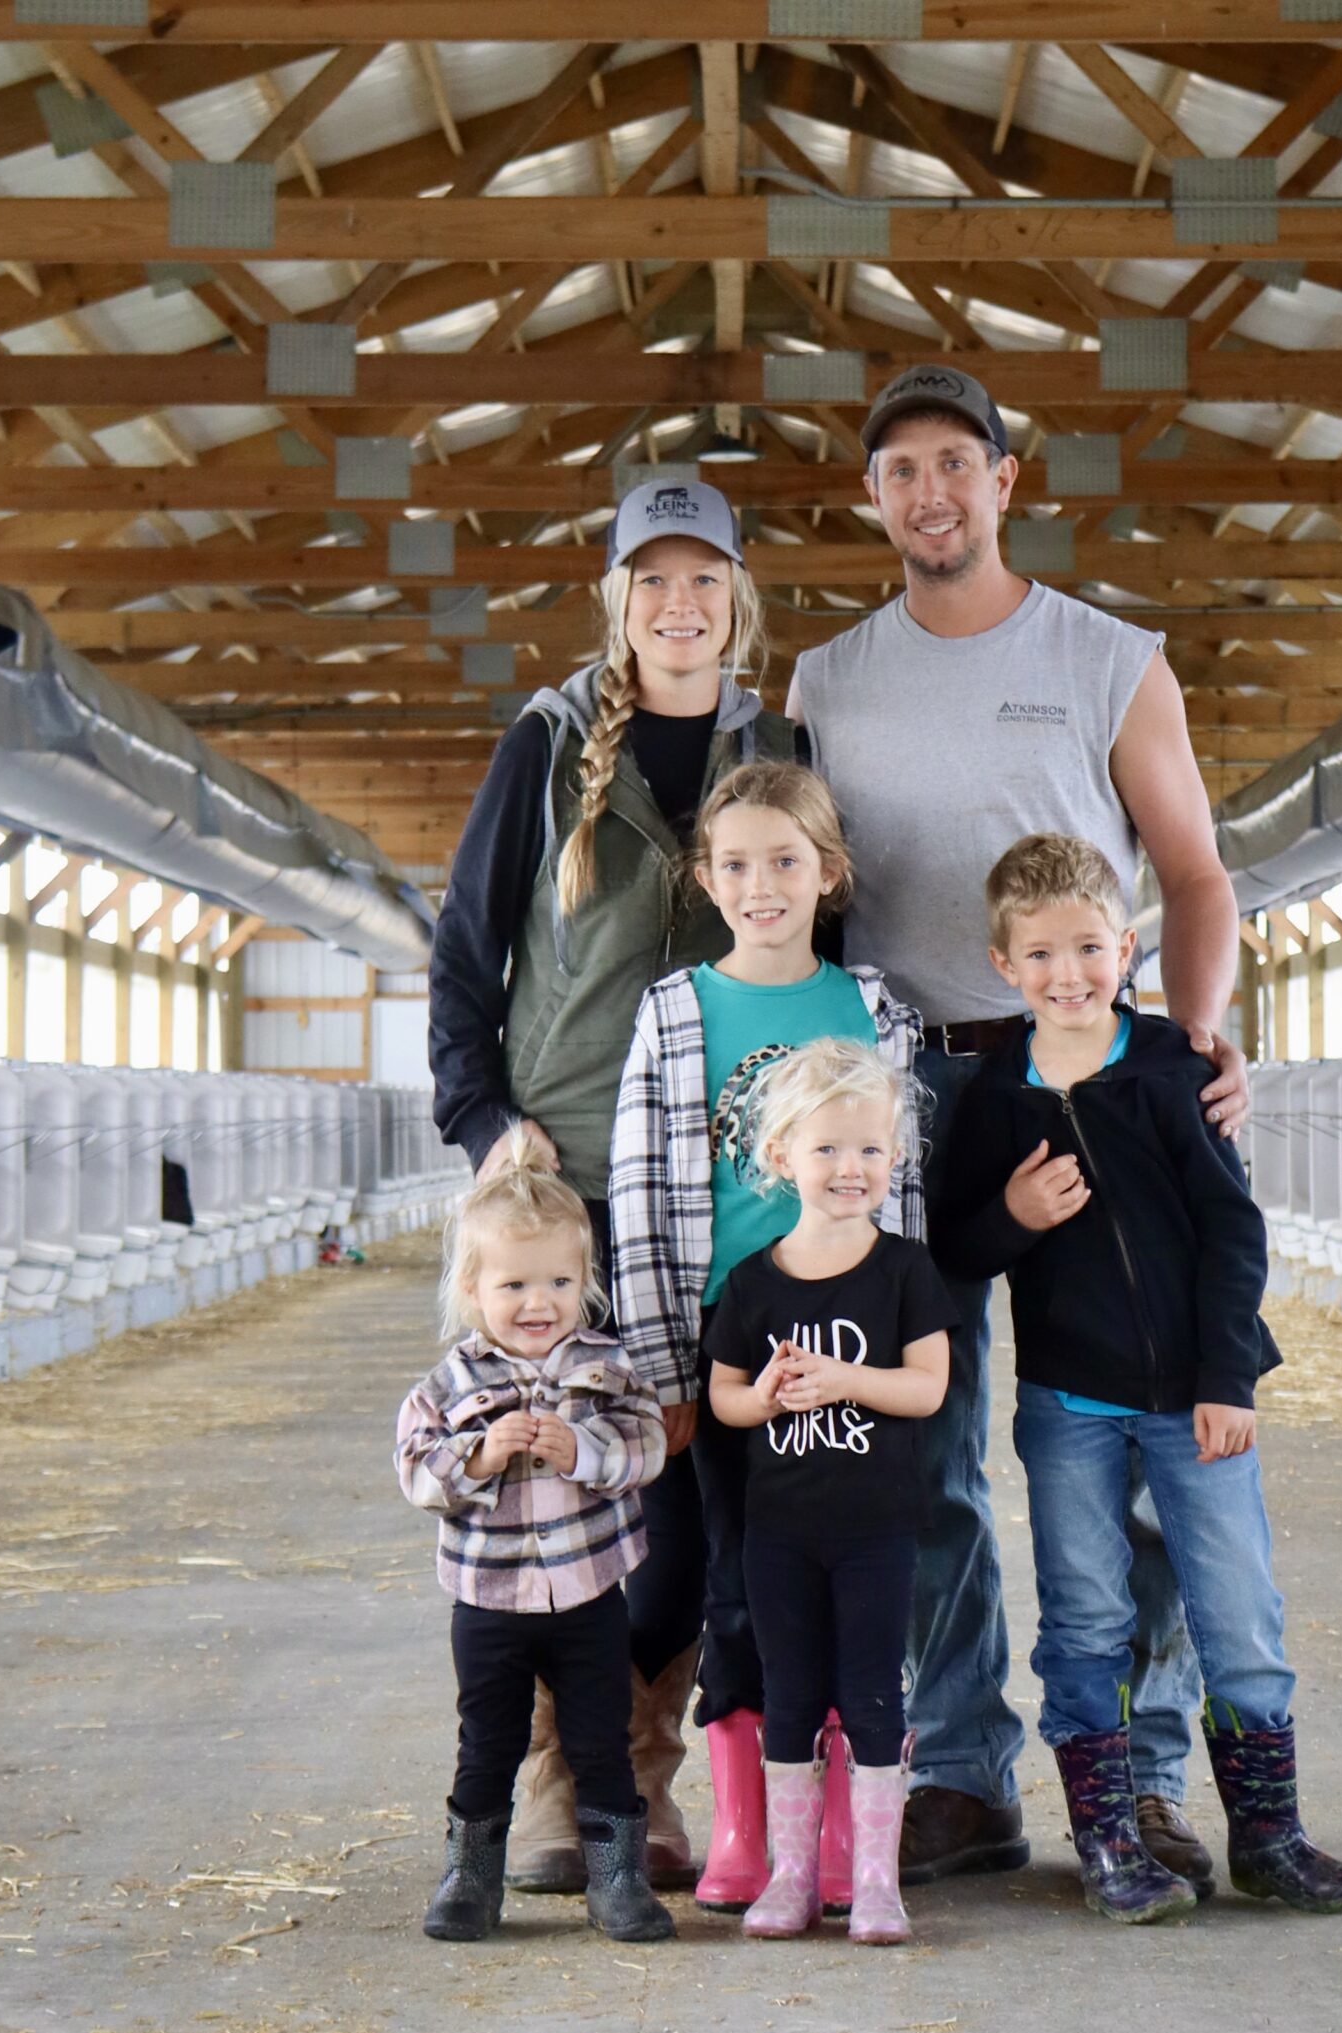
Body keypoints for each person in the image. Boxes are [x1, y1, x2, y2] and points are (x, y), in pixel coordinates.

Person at [788, 364, 1251, 1887]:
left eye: (954, 463)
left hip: (1079, 1077)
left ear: (1005, 479)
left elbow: (1194, 874)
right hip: (900, 1092)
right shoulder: (827, 681)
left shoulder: (1110, 659)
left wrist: (1193, 1041)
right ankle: (964, 1772)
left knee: (1134, 1432)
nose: (929, 492)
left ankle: (1148, 1775)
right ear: (873, 499)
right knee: (919, 1442)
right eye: (899, 469)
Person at [426, 477, 797, 1893]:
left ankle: (636, 1771)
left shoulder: (780, 746)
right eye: (653, 579)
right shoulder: (548, 740)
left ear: (738, 598)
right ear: (617, 599)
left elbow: (822, 931)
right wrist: (482, 1118)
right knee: (546, 1485)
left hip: (725, 1178)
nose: (678, 604)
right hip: (569, 1170)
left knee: (689, 1503)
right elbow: (467, 946)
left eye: (704, 578)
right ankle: (548, 1780)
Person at [935, 836, 1342, 1924]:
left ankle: (1268, 1836)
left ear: (1125, 948)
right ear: (1004, 965)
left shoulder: (1176, 1070)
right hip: (1067, 1406)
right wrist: (1013, 1215)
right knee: (1084, 1614)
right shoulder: (993, 1099)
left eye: (1090, 947)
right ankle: (1109, 1844)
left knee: (1238, 1610)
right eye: (1042, 955)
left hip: (1195, 1399)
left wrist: (1229, 1376)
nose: (1068, 974)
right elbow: (953, 1245)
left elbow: (1233, 1230)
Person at [607, 760, 925, 1913]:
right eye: (736, 863)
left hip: (850, 1347)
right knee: (739, 1583)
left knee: (858, 1583)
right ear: (704, 878)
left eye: (785, 860)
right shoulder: (674, 1008)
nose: (761, 884)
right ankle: (748, 1829)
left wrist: (902, 1345)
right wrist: (665, 1366)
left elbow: (907, 1189)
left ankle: (843, 1836)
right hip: (730, 1347)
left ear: (827, 872)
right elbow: (639, 1190)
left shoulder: (874, 1008)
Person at [394, 1129, 675, 1945]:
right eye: (513, 1284)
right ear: (473, 1288)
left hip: (589, 1595)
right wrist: (480, 1455)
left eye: (559, 1282)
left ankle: (617, 1879)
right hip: (489, 1598)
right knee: (488, 1738)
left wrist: (583, 1450)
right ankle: (470, 1877)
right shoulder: (449, 1384)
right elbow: (417, 1473)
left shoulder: (609, 1370)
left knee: (602, 1738)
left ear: (585, 1283)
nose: (537, 1303)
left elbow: (647, 1448)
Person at [705, 1039, 954, 1943]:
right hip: (779, 1534)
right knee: (791, 1694)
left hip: (875, 1532)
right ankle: (793, 1877)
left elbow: (927, 1388)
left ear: (897, 1156)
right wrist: (765, 1397)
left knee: (873, 1692)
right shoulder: (753, 1283)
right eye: (828, 1148)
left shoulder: (906, 1271)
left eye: (871, 1150)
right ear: (781, 1156)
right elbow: (725, 1398)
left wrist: (846, 1380)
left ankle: (877, 1882)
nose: (852, 1168)